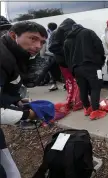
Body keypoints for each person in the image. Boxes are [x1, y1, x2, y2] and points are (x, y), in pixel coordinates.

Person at [0, 20, 48, 178]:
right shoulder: (2, 57)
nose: (38, 45)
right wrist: (27, 115)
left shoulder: (14, 54)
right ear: (13, 36)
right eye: (33, 38)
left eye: (42, 42)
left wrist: (16, 101)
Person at [64, 23, 107, 120]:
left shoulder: (67, 40)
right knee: (95, 87)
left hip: (77, 69)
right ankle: (95, 111)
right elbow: (99, 46)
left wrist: (72, 69)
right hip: (91, 66)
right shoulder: (88, 32)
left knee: (82, 89)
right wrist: (101, 60)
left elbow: (66, 58)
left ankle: (87, 109)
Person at [49, 18, 83, 112]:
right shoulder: (57, 33)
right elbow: (52, 47)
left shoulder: (64, 32)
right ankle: (74, 102)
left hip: (68, 61)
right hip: (64, 61)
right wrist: (68, 52)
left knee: (73, 82)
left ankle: (75, 101)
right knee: (72, 82)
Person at [40, 22, 61, 91]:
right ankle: (56, 84)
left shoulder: (50, 34)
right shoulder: (54, 33)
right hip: (52, 54)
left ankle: (55, 84)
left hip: (51, 54)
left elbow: (44, 45)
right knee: (54, 69)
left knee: (53, 69)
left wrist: (42, 54)